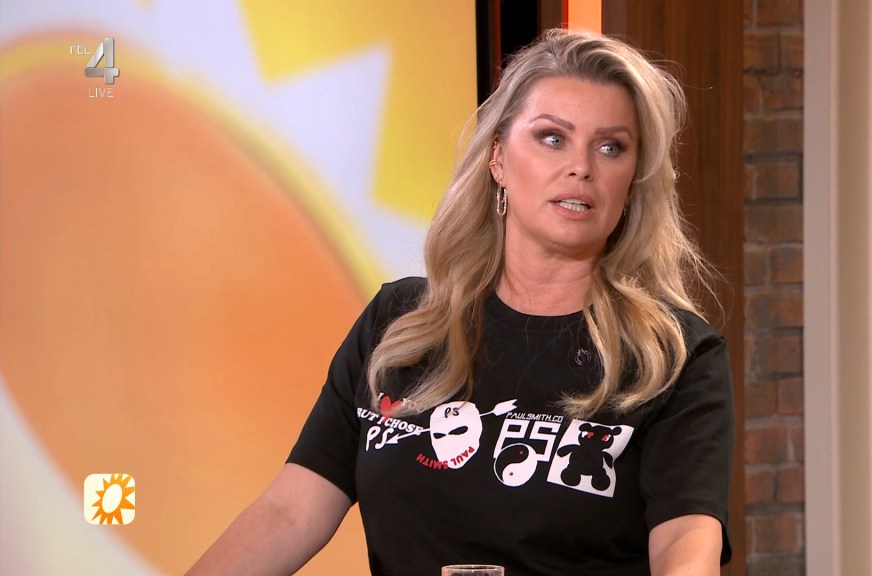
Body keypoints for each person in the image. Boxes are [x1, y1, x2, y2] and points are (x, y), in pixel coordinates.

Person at [187, 29, 734, 576]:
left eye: (611, 147)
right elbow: (288, 513)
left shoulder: (673, 356)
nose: (582, 167)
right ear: (498, 158)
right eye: (552, 138)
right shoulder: (398, 325)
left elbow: (685, 543)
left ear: (633, 182)